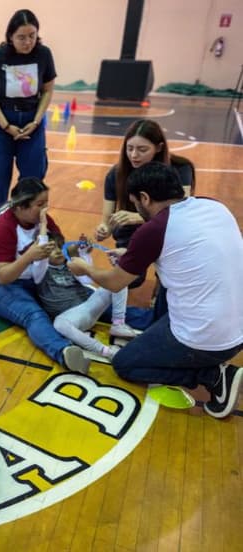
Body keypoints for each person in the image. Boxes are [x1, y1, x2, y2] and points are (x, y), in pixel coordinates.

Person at [70, 162, 243, 419]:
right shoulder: (213, 206)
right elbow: (185, 253)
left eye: (135, 203)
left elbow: (116, 282)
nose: (136, 209)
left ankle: (213, 376)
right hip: (236, 328)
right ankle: (202, 362)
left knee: (125, 364)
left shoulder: (153, 230)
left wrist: (85, 269)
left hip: (205, 340)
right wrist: (132, 255)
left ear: (145, 198)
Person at [0, 177, 90, 374]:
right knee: (34, 314)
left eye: (46, 203)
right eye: (40, 204)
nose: (45, 209)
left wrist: (78, 248)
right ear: (20, 207)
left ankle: (146, 319)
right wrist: (29, 257)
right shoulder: (0, 229)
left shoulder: (42, 220)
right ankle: (63, 352)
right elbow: (4, 277)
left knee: (86, 295)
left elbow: (60, 251)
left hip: (34, 278)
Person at [94, 119, 195, 288]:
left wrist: (137, 217)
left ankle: (159, 290)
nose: (134, 155)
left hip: (169, 228)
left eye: (142, 150)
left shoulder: (180, 168)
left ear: (159, 148)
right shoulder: (117, 173)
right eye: (129, 148)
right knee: (132, 279)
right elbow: (107, 219)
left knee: (168, 275)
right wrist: (104, 229)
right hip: (132, 229)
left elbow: (179, 213)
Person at [0, 9, 56, 218]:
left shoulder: (44, 54)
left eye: (32, 36)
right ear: (10, 36)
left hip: (33, 123)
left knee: (32, 181)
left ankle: (27, 227)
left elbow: (48, 90)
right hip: (1, 123)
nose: (27, 42)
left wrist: (36, 120)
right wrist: (6, 126)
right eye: (21, 37)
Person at [32, 224, 138, 361]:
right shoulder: (40, 271)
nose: (58, 251)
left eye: (60, 247)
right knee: (59, 324)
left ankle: (118, 323)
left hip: (88, 308)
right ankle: (105, 351)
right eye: (52, 249)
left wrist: (82, 253)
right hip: (71, 317)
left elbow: (87, 279)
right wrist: (43, 222)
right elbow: (40, 257)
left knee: (118, 281)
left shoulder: (70, 264)